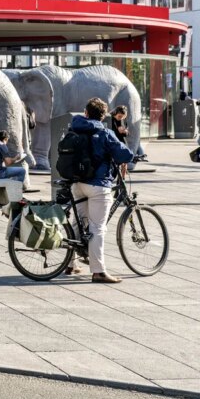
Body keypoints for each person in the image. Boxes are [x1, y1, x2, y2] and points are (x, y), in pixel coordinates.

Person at [66, 98, 135, 284]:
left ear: (85, 113)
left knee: (78, 223)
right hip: (98, 185)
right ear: (103, 115)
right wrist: (133, 156)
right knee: (97, 228)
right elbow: (124, 154)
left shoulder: (74, 128)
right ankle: (98, 272)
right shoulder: (105, 132)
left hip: (77, 183)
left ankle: (70, 263)